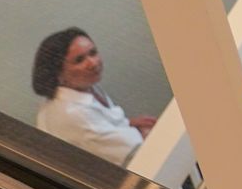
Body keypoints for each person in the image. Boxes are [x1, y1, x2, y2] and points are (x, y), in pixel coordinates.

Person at [30, 28, 156, 167]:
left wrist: (127, 124)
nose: (93, 63)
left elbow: (101, 127)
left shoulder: (83, 87)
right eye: (79, 60)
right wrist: (144, 131)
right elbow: (135, 152)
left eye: (93, 53)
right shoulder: (74, 114)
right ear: (58, 73)